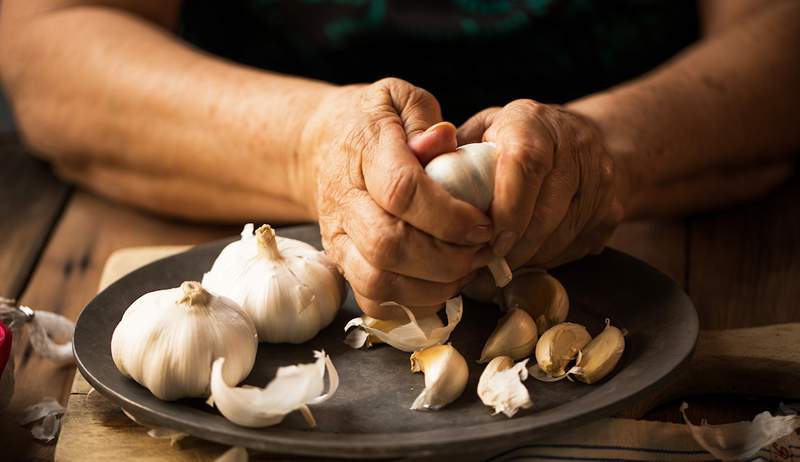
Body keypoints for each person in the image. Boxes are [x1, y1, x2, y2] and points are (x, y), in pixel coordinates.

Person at [0, 1, 797, 318]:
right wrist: (311, 138)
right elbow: (46, 42)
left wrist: (603, 153)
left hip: (681, 209)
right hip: (215, 178)